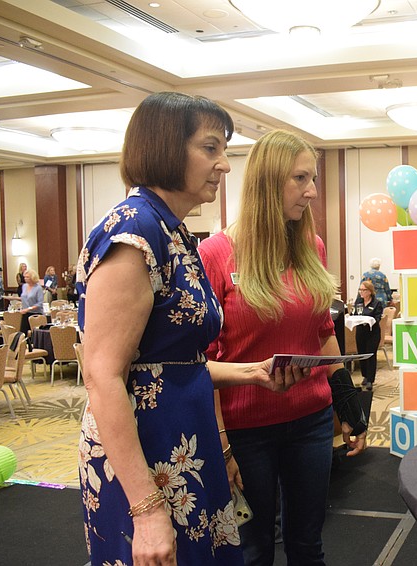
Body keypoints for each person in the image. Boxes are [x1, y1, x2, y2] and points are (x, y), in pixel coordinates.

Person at [76, 91, 300, 566]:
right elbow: (103, 374)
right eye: (210, 148)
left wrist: (250, 372)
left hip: (185, 441)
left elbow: (174, 363)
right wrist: (147, 509)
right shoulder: (135, 232)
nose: (224, 165)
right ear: (164, 148)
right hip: (146, 458)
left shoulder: (174, 230)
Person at [198, 128, 368, 565]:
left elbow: (322, 331)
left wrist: (344, 396)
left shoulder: (311, 246)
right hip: (244, 429)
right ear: (268, 182)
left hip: (310, 420)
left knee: (307, 545)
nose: (312, 191)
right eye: (300, 178)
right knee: (254, 551)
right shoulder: (216, 254)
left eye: (313, 179)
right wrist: (222, 444)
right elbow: (203, 359)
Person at [353, 279, 384, 391]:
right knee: (362, 354)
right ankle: (365, 376)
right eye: (360, 290)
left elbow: (377, 318)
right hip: (360, 332)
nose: (361, 292)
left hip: (372, 333)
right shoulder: (358, 302)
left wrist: (368, 320)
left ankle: (370, 380)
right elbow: (355, 314)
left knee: (371, 355)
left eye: (364, 290)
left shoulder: (376, 303)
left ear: (370, 291)